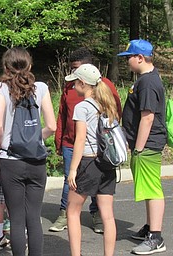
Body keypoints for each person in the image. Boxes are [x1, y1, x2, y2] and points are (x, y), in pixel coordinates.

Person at [0, 47, 56, 256]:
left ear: (6, 67)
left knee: (17, 218)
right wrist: (35, 139)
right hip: (36, 159)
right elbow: (52, 127)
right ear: (29, 65)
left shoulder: (1, 89)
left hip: (11, 160)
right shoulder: (42, 88)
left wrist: (3, 144)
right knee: (34, 218)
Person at [50, 47, 122, 233]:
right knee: (70, 181)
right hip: (70, 143)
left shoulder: (105, 86)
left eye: (76, 68)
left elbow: (115, 115)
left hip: (94, 149)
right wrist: (60, 141)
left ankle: (96, 213)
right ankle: (64, 213)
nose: (73, 73)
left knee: (95, 184)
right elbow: (62, 115)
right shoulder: (69, 87)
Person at [118, 39, 167, 255]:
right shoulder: (146, 79)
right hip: (145, 144)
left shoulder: (147, 82)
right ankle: (149, 228)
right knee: (148, 188)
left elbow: (147, 118)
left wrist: (137, 147)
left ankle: (156, 237)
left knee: (153, 189)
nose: (127, 61)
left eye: (129, 57)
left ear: (140, 58)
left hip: (147, 145)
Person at [65, 64, 117, 256]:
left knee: (72, 210)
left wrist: (72, 169)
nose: (72, 87)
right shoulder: (107, 104)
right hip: (107, 163)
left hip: (88, 162)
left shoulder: (82, 107)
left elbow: (79, 140)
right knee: (108, 216)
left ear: (83, 83)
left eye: (75, 83)